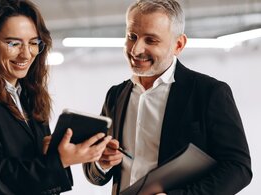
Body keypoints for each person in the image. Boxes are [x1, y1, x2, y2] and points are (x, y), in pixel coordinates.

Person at [83, 0, 252, 194]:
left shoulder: (210, 93)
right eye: (132, 36)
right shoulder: (116, 95)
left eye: (151, 40)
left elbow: (238, 168)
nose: (135, 50)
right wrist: (102, 162)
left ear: (178, 45)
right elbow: (94, 173)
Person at [0, 0, 111, 194]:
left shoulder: (29, 95)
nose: (26, 54)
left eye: (33, 43)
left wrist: (57, 153)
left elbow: (33, 171)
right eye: (13, 43)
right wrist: (59, 160)